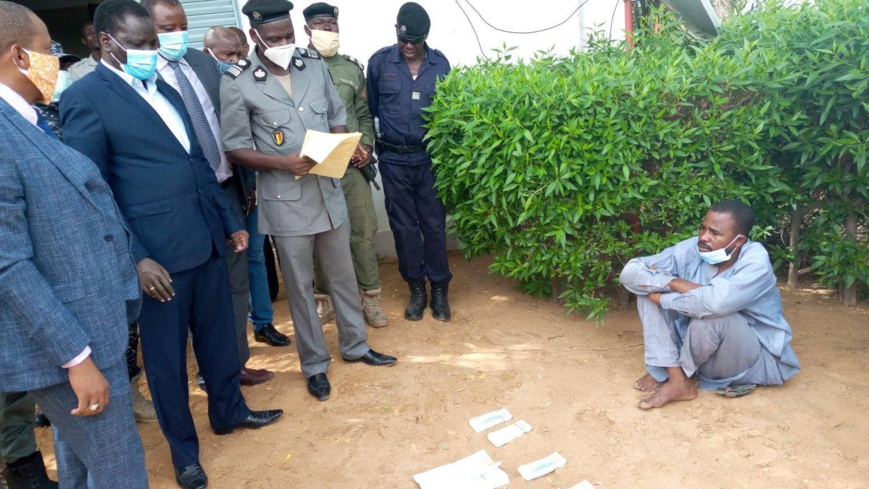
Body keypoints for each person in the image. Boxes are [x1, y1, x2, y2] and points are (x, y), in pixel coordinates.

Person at [59, 2, 283, 488]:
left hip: (204, 239)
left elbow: (199, 163)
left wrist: (229, 221)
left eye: (151, 44)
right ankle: (184, 453)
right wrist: (135, 254)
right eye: (138, 45)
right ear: (105, 42)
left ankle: (229, 411)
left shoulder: (164, 88)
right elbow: (91, 189)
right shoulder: (86, 98)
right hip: (156, 259)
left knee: (221, 338)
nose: (149, 53)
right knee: (166, 364)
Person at [0, 2, 148, 487]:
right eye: (49, 50)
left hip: (92, 327)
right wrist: (76, 358)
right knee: (119, 468)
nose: (56, 62)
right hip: (69, 347)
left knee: (83, 463)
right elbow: (8, 266)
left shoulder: (28, 119)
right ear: (19, 56)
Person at [221, 0, 397, 402]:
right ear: (255, 36)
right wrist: (282, 162)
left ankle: (356, 345)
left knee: (343, 276)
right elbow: (234, 147)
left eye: (288, 35)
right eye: (274, 38)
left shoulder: (311, 64)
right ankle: (315, 364)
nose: (284, 43)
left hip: (328, 189)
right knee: (301, 288)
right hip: (285, 200)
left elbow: (337, 112)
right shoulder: (238, 80)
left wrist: (336, 144)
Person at [142, 0, 275, 386]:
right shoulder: (144, 76)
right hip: (183, 204)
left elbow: (231, 126)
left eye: (181, 26)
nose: (176, 34)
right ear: (147, 30)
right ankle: (206, 374)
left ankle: (233, 366)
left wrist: (246, 182)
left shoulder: (203, 66)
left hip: (227, 190)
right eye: (167, 28)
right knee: (195, 291)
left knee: (235, 285)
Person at [619, 200, 801, 410]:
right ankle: (676, 378)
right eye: (703, 228)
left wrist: (666, 296)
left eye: (715, 233)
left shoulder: (756, 261)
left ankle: (681, 375)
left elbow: (715, 303)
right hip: (699, 346)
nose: (704, 237)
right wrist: (673, 283)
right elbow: (630, 272)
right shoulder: (692, 249)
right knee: (647, 289)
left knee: (715, 316)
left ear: (739, 240)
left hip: (745, 357)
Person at [203, 25, 290, 348]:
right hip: (214, 191)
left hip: (246, 183)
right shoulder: (203, 87)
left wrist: (250, 181)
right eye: (228, 54)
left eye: (240, 53)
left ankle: (263, 322)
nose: (236, 60)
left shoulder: (248, 80)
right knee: (223, 267)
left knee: (256, 255)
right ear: (208, 52)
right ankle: (230, 340)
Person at [303, 2, 389, 329]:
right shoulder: (297, 66)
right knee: (321, 236)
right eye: (321, 25)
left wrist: (366, 144)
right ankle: (324, 300)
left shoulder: (352, 68)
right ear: (307, 29)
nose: (328, 31)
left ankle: (370, 298)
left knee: (363, 231)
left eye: (333, 25)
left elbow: (363, 113)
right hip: (315, 167)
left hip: (353, 166)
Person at [367, 2, 453, 322]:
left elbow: (449, 112)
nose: (407, 46)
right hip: (394, 160)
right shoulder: (379, 63)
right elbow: (372, 110)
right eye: (403, 39)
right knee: (404, 228)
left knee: (433, 225)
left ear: (425, 37)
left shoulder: (440, 64)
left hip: (429, 160)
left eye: (414, 40)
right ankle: (416, 289)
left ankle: (440, 290)